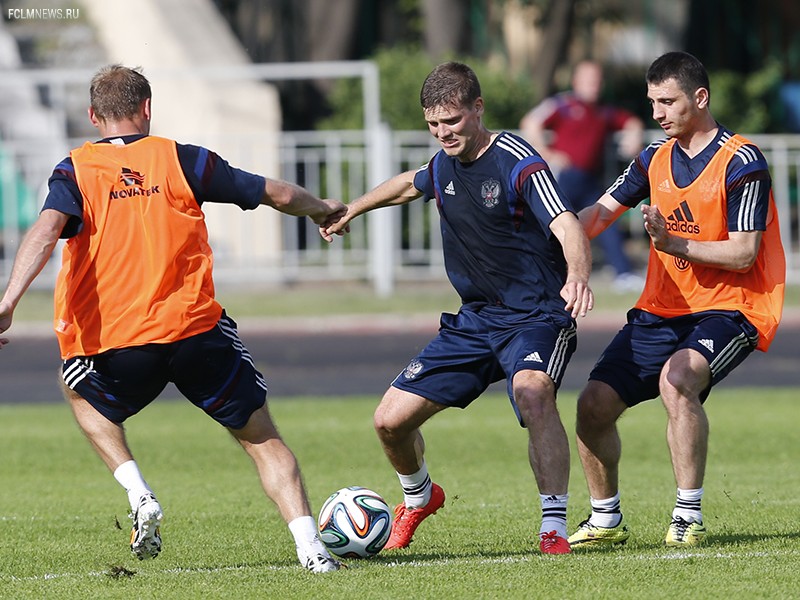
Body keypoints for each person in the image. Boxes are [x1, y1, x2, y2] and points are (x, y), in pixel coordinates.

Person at [0, 65, 347, 573]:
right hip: (196, 334)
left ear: (93, 116)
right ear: (146, 109)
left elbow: (47, 230)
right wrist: (322, 208)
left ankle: (139, 493)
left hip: (120, 344)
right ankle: (311, 549)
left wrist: (8, 300)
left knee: (77, 392)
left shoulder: (77, 169)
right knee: (262, 438)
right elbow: (278, 193)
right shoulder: (183, 160)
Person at [324, 62, 594, 555]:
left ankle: (553, 526)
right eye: (433, 124)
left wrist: (577, 274)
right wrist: (354, 208)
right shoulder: (444, 162)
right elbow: (411, 182)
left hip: (535, 316)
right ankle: (419, 497)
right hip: (475, 321)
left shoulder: (517, 160)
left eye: (452, 121)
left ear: (478, 109)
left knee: (533, 393)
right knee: (389, 421)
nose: (443, 133)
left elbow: (566, 223)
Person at [568, 51, 785, 549]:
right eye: (652, 103)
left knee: (678, 378)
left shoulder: (742, 160)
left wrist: (675, 244)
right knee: (593, 406)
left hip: (734, 306)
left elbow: (745, 252)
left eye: (667, 101)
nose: (657, 113)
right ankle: (605, 520)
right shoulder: (654, 158)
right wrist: (550, 233)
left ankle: (688, 515)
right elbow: (598, 215)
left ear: (700, 98)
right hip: (661, 309)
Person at [520, 60, 645, 293]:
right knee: (552, 227)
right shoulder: (562, 105)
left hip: (589, 181)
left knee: (606, 222)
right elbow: (530, 122)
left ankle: (623, 273)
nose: (594, 85)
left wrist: (633, 137)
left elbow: (631, 121)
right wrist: (548, 153)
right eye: (589, 80)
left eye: (597, 81)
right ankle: (534, 275)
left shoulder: (603, 111)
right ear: (576, 82)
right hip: (564, 179)